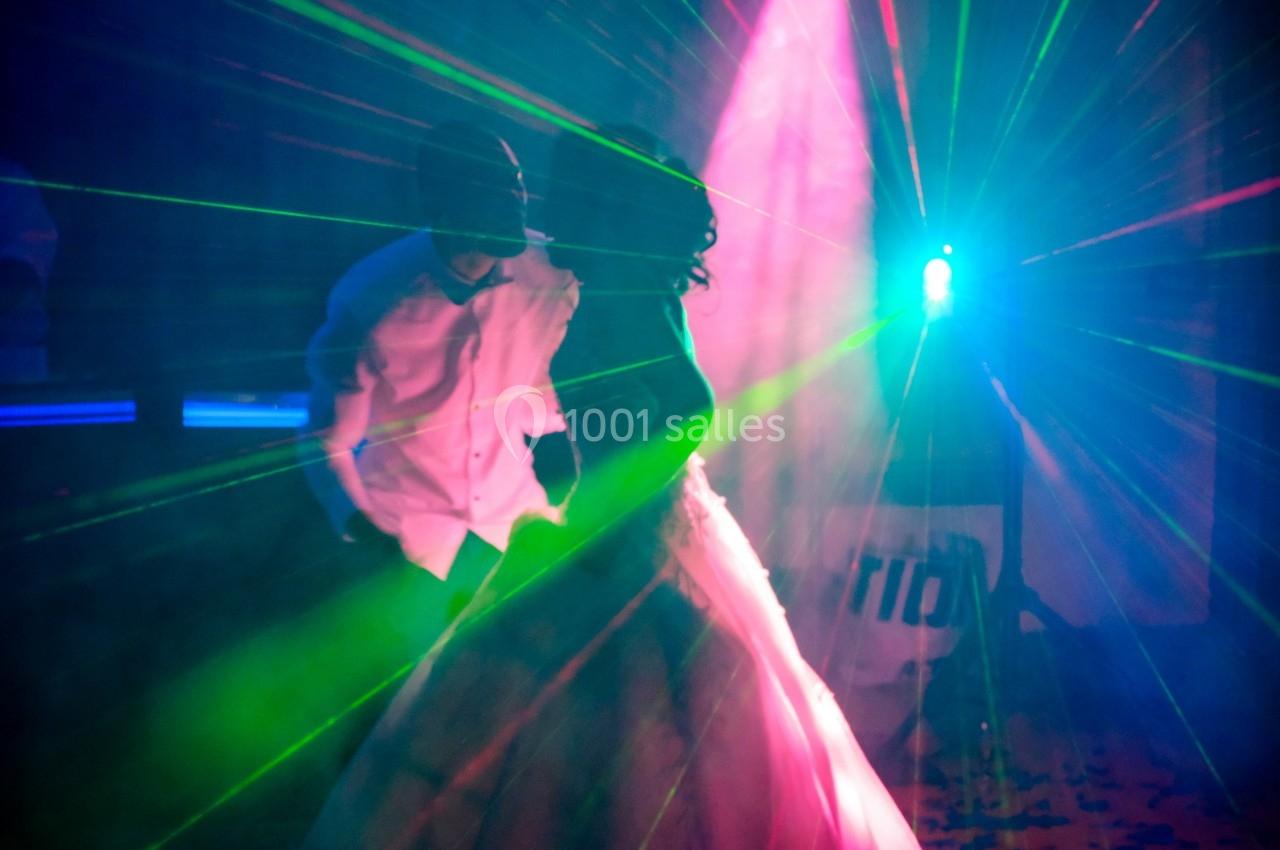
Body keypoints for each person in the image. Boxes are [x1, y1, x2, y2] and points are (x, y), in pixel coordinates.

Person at [302, 128, 920, 849]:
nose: (535, 208)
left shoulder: (608, 288)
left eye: (542, 193)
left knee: (639, 718)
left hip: (620, 534)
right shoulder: (382, 293)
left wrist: (619, 502)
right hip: (435, 538)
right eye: (519, 193)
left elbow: (688, 412)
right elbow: (333, 434)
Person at [303, 121, 579, 619]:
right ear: (440, 199)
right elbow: (327, 441)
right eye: (493, 185)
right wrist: (367, 538)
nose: (517, 199)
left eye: (516, 181)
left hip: (515, 530)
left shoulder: (555, 274)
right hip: (407, 551)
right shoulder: (372, 295)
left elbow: (541, 404)